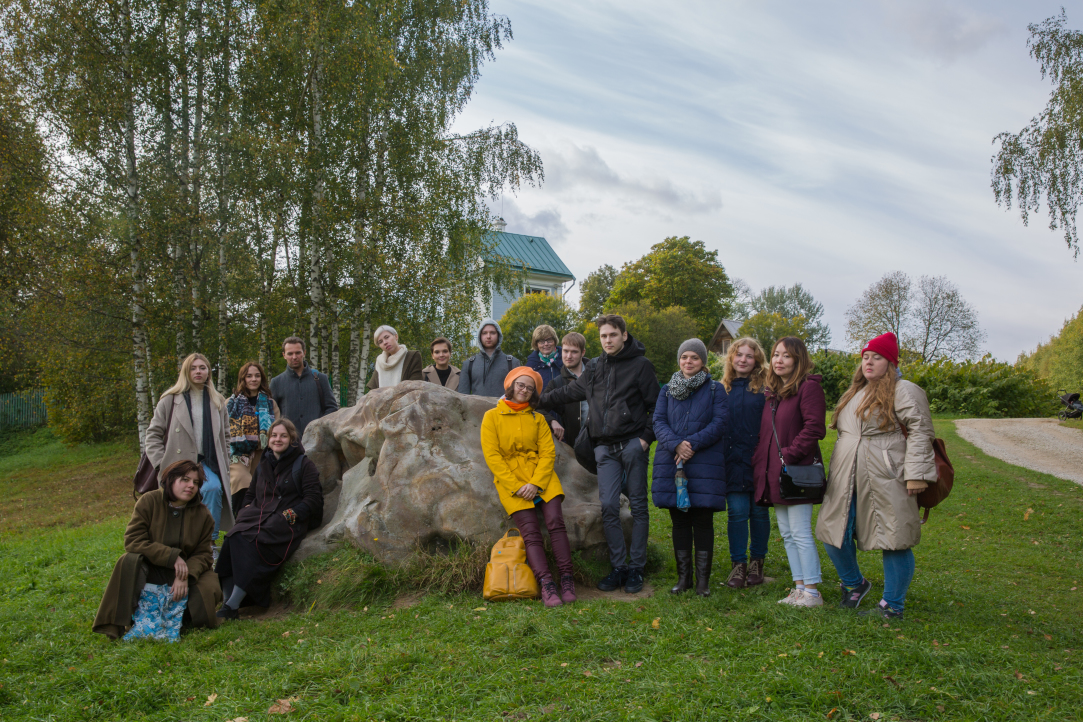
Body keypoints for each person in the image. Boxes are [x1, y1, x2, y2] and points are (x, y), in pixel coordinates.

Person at [816, 332, 937, 620]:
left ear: (891, 363)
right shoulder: (856, 392)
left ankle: (892, 606)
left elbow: (921, 429)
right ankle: (855, 584)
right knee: (833, 532)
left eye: (877, 357)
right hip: (847, 475)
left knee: (894, 537)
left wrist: (916, 474)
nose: (869, 362)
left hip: (887, 474)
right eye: (866, 357)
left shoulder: (904, 389)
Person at [538, 314, 658, 594]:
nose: (607, 340)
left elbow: (656, 406)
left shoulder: (641, 366)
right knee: (608, 507)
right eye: (603, 336)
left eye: (612, 335)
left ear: (624, 335)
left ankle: (636, 568)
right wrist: (531, 400)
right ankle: (618, 567)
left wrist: (644, 440)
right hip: (603, 448)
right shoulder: (595, 368)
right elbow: (567, 393)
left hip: (632, 445)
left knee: (638, 506)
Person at [93, 460, 222, 640]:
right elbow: (133, 540)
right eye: (185, 480)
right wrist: (172, 557)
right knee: (128, 561)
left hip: (185, 572)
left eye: (196, 482)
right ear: (170, 480)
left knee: (208, 586)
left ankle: (184, 619)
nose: (191, 486)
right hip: (152, 567)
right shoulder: (149, 501)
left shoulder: (203, 514)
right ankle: (118, 621)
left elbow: (204, 554)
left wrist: (184, 575)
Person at [480, 367, 576, 608]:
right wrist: (517, 486)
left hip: (541, 478)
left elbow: (548, 453)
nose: (524, 390)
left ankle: (566, 579)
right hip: (511, 482)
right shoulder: (491, 417)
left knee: (555, 522)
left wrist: (535, 483)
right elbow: (492, 457)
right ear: (511, 385)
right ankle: (546, 584)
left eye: (529, 388)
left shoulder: (538, 419)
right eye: (520, 385)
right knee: (531, 533)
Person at [215, 419, 324, 620]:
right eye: (274, 435)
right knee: (232, 538)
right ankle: (227, 602)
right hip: (258, 516)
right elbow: (251, 493)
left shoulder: (304, 465)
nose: (277, 439)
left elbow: (313, 499)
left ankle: (232, 606)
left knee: (251, 543)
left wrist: (290, 515)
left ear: (292, 439)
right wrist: (245, 509)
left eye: (283, 436)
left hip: (286, 521)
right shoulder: (264, 463)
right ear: (269, 439)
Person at [751, 336, 827, 608]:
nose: (779, 360)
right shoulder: (774, 393)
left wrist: (789, 455)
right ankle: (799, 588)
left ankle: (813, 591)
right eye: (775, 354)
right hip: (775, 474)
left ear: (798, 360)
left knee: (800, 531)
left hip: (797, 473)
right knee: (786, 532)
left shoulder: (808, 388)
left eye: (786, 355)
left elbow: (815, 428)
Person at [651, 339, 728, 597]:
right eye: (684, 357)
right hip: (673, 462)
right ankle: (683, 579)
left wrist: (691, 444)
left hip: (704, 463)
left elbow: (719, 423)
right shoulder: (667, 390)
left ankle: (703, 582)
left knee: (703, 520)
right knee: (680, 520)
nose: (688, 362)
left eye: (694, 357)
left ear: (703, 361)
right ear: (678, 360)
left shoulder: (716, 390)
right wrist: (676, 445)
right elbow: (658, 421)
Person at [144, 353, 233, 549]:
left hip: (208, 462)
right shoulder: (170, 399)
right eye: (193, 368)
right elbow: (152, 435)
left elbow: (226, 436)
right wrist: (162, 464)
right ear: (186, 371)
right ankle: (177, 544)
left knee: (212, 489)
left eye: (202, 367)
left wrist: (225, 460)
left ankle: (208, 544)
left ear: (209, 372)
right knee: (180, 502)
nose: (198, 371)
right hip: (177, 464)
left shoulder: (217, 401)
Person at [720, 338, 770, 589]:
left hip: (759, 459)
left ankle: (757, 561)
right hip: (731, 460)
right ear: (731, 358)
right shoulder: (721, 388)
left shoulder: (765, 388)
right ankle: (738, 564)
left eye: (749, 356)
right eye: (739, 355)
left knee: (759, 512)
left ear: (757, 360)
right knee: (737, 512)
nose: (743, 359)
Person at [226, 361, 281, 518]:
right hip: (237, 455)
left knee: (260, 488)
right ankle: (239, 519)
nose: (253, 379)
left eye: (257, 376)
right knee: (242, 481)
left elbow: (276, 430)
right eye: (249, 376)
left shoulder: (270, 404)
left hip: (262, 454)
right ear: (243, 379)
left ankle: (253, 522)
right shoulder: (230, 403)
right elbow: (223, 431)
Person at [269, 336, 338, 440]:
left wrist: (319, 426)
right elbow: (271, 413)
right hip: (288, 443)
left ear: (304, 353)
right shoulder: (276, 382)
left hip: (317, 441)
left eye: (298, 353)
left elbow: (332, 408)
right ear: (284, 355)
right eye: (290, 353)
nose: (294, 357)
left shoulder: (320, 379)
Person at [546, 332, 592, 445]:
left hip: (603, 444)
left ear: (583, 352)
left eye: (574, 352)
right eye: (566, 351)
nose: (569, 356)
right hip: (576, 444)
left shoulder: (598, 374)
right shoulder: (557, 383)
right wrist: (552, 420)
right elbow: (538, 406)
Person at [457, 318, 521, 397]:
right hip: (477, 409)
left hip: (504, 409)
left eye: (492, 333)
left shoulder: (512, 363)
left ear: (498, 335)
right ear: (480, 336)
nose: (488, 336)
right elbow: (463, 397)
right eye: (484, 333)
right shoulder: (469, 364)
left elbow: (518, 396)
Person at [367, 325, 424, 390]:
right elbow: (373, 390)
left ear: (396, 336)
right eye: (380, 341)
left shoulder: (412, 356)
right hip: (383, 400)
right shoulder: (380, 361)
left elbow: (415, 385)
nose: (385, 342)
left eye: (387, 337)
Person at [525, 325, 563, 390]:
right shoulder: (530, 366)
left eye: (549, 340)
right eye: (541, 341)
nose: (546, 344)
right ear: (536, 344)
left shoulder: (567, 359)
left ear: (555, 341)